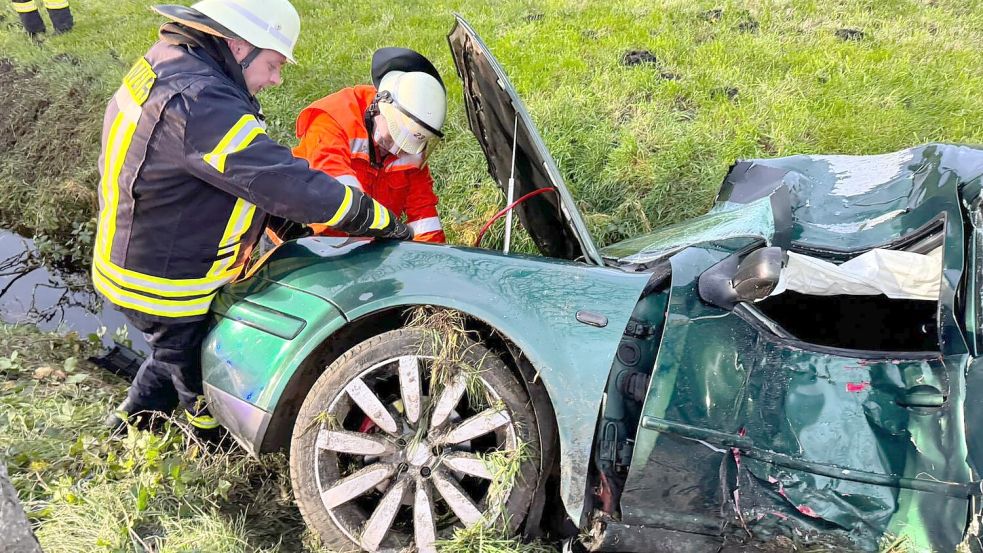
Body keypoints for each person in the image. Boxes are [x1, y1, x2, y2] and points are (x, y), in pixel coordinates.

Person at [96, 0, 411, 433]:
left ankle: (129, 423)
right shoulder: (200, 100)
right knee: (202, 384)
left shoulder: (172, 64)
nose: (277, 78)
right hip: (163, 285)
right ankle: (211, 449)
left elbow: (221, 170)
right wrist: (374, 217)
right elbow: (280, 180)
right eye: (274, 64)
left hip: (137, 253)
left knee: (173, 353)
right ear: (239, 44)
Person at [293, 47, 448, 243]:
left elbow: (424, 214)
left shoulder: (413, 143)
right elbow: (336, 197)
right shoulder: (333, 120)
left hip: (361, 247)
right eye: (392, 137)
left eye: (404, 145)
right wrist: (388, 227)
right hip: (306, 239)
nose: (396, 150)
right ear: (380, 106)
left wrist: (433, 260)